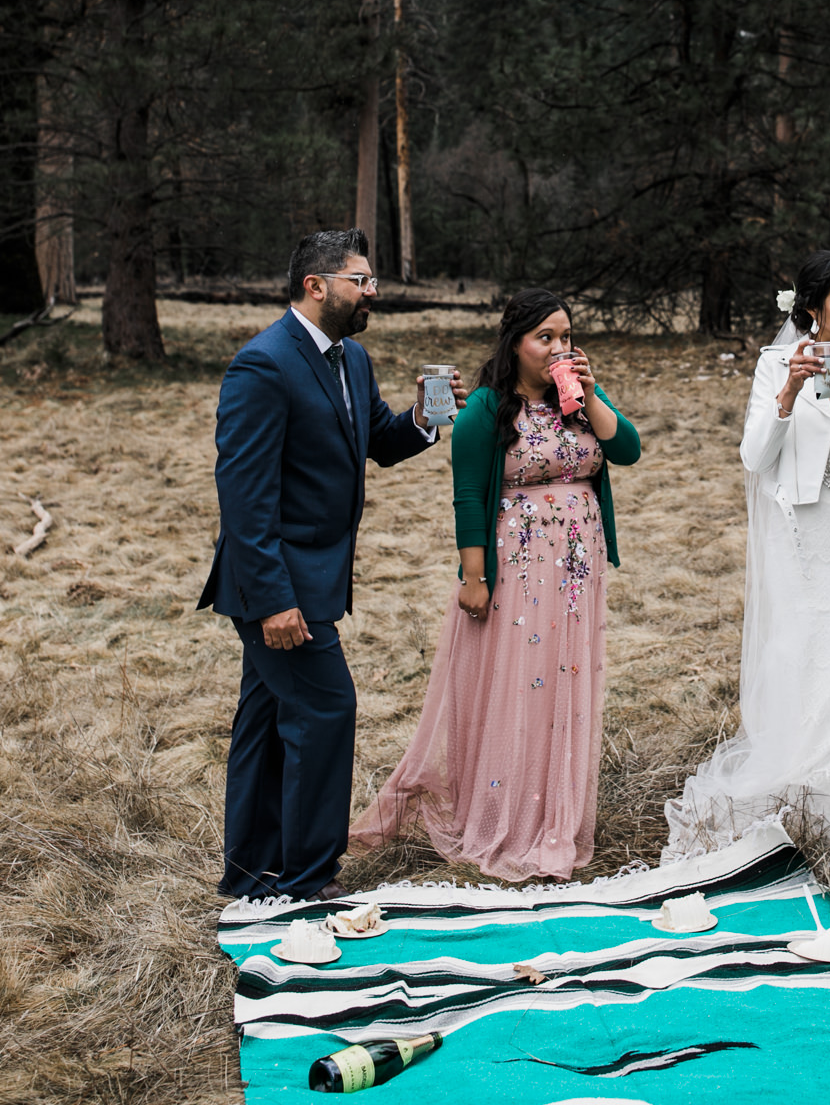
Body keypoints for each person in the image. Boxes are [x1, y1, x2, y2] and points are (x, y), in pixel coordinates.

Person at [199, 228, 459, 903]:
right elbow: (245, 498)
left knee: (265, 724)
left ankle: (252, 872)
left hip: (314, 577)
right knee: (326, 711)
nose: (373, 291)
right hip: (278, 585)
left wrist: (430, 417)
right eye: (361, 280)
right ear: (316, 286)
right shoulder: (263, 365)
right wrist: (273, 601)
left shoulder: (351, 358)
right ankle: (310, 877)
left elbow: (378, 440)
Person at [351, 287, 640, 882]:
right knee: (522, 687)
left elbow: (628, 450)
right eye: (546, 338)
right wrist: (474, 577)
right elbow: (467, 497)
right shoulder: (487, 407)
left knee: (566, 685)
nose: (560, 348)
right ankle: (505, 814)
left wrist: (589, 398)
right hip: (521, 568)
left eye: (566, 336)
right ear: (516, 343)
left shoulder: (581, 399)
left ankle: (555, 813)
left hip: (578, 571)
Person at [664, 250, 830, 866]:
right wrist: (789, 387)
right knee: (807, 668)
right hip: (805, 545)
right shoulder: (772, 366)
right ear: (811, 311)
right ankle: (797, 800)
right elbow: (755, 457)